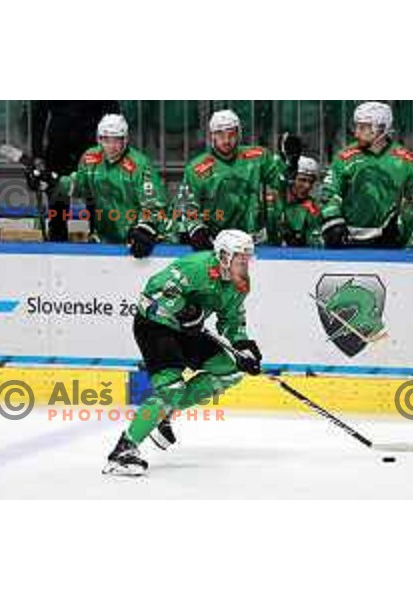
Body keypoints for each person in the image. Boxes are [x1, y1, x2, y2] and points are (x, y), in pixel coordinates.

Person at [103, 229, 263, 476]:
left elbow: (231, 318)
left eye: (247, 258)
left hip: (188, 331)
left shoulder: (240, 284)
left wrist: (242, 345)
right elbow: (153, 293)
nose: (245, 263)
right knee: (172, 389)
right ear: (223, 256)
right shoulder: (195, 267)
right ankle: (123, 451)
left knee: (231, 370)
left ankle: (163, 416)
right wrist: (182, 308)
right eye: (240, 257)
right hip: (156, 327)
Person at [31, 114, 170, 257]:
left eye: (117, 140)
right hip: (105, 237)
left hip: (137, 239)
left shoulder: (140, 165)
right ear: (99, 139)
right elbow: (79, 185)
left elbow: (154, 204)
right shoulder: (90, 158)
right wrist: (52, 182)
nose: (111, 146)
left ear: (126, 140)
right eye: (106, 140)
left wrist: (145, 229)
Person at [320, 101, 413, 249]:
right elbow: (328, 193)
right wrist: (333, 221)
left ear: (381, 128)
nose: (356, 133)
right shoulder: (344, 158)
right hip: (347, 239)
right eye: (356, 126)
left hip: (390, 241)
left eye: (363, 127)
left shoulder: (407, 161)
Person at [175, 109, 286, 250]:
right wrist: (197, 229)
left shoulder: (259, 157)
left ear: (239, 133)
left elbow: (282, 184)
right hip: (217, 243)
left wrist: (288, 164)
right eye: (220, 134)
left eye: (231, 134)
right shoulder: (196, 168)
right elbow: (186, 206)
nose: (226, 140)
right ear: (211, 136)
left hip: (256, 243)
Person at [31, 101, 120, 241]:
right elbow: (38, 115)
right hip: (59, 146)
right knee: (57, 203)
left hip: (92, 143)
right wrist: (37, 153)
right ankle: (57, 244)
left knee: (97, 200)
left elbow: (113, 113)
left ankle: (100, 240)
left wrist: (112, 150)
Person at [281, 156, 324, 247]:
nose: (307, 186)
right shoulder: (274, 200)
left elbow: (315, 240)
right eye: (302, 180)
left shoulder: (312, 207)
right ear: (291, 179)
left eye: (311, 181)